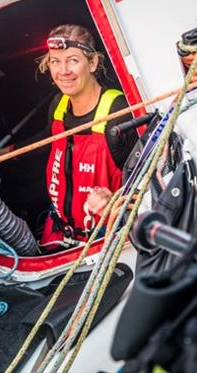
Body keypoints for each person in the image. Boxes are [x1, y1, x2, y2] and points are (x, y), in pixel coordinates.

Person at [36, 24, 138, 248]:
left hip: (106, 238)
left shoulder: (118, 113)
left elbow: (148, 175)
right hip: (58, 233)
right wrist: (4, 152)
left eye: (73, 60)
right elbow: (46, 140)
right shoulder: (59, 106)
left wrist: (115, 199)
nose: (63, 71)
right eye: (55, 61)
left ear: (92, 63)